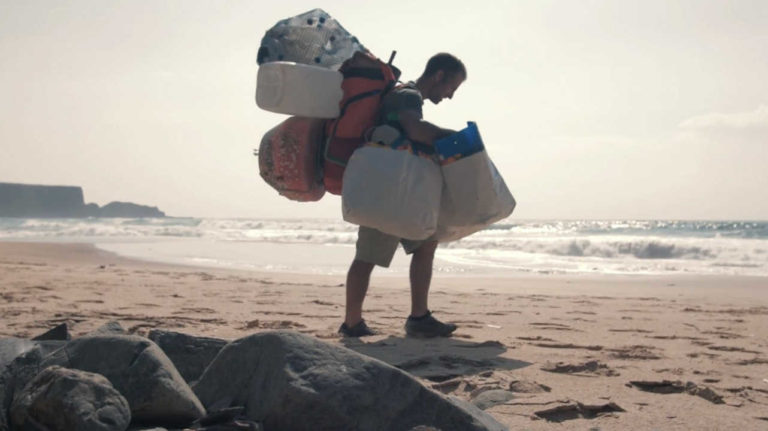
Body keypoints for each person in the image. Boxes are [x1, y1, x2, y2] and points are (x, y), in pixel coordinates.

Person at [339, 53, 467, 338]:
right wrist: (458, 138)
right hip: (389, 191)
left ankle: (418, 317)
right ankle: (351, 323)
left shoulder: (406, 96)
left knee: (426, 244)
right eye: (451, 88)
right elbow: (416, 130)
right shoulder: (407, 96)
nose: (450, 96)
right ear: (439, 76)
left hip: (400, 189)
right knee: (367, 257)